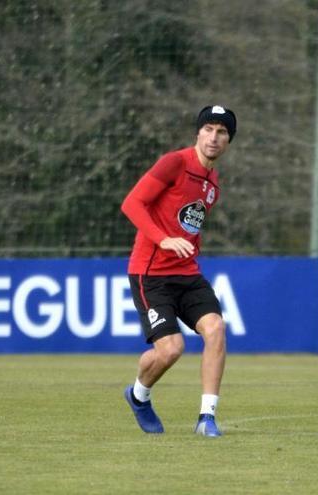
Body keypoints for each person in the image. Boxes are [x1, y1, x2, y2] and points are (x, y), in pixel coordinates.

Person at [120, 105, 237, 437]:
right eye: (209, 129)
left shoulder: (212, 183)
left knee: (215, 328)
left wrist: (184, 244)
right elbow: (131, 203)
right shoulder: (174, 162)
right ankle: (139, 395)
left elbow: (188, 225)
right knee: (170, 349)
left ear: (229, 141)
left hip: (186, 273)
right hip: (150, 272)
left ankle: (206, 418)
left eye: (222, 132)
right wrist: (164, 239)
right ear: (198, 133)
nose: (214, 137)